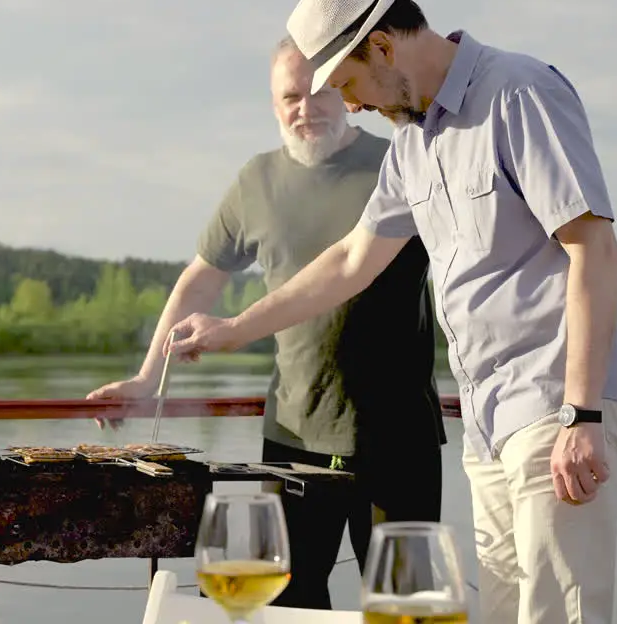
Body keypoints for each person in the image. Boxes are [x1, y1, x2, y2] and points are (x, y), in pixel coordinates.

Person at [163, 0, 617, 624]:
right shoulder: (411, 146)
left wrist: (582, 414)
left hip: (555, 406)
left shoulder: (518, 92)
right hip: (489, 420)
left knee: (558, 615)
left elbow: (594, 248)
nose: (354, 104)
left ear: (384, 46)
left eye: (347, 83)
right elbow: (349, 263)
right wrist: (232, 328)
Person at [86, 35, 446, 611]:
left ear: (345, 90)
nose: (306, 108)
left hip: (398, 436)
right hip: (294, 440)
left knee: (403, 606)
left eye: (320, 91)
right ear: (274, 105)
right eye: (290, 97)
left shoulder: (398, 162)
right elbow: (199, 282)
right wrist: (148, 377)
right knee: (285, 608)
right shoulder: (255, 181)